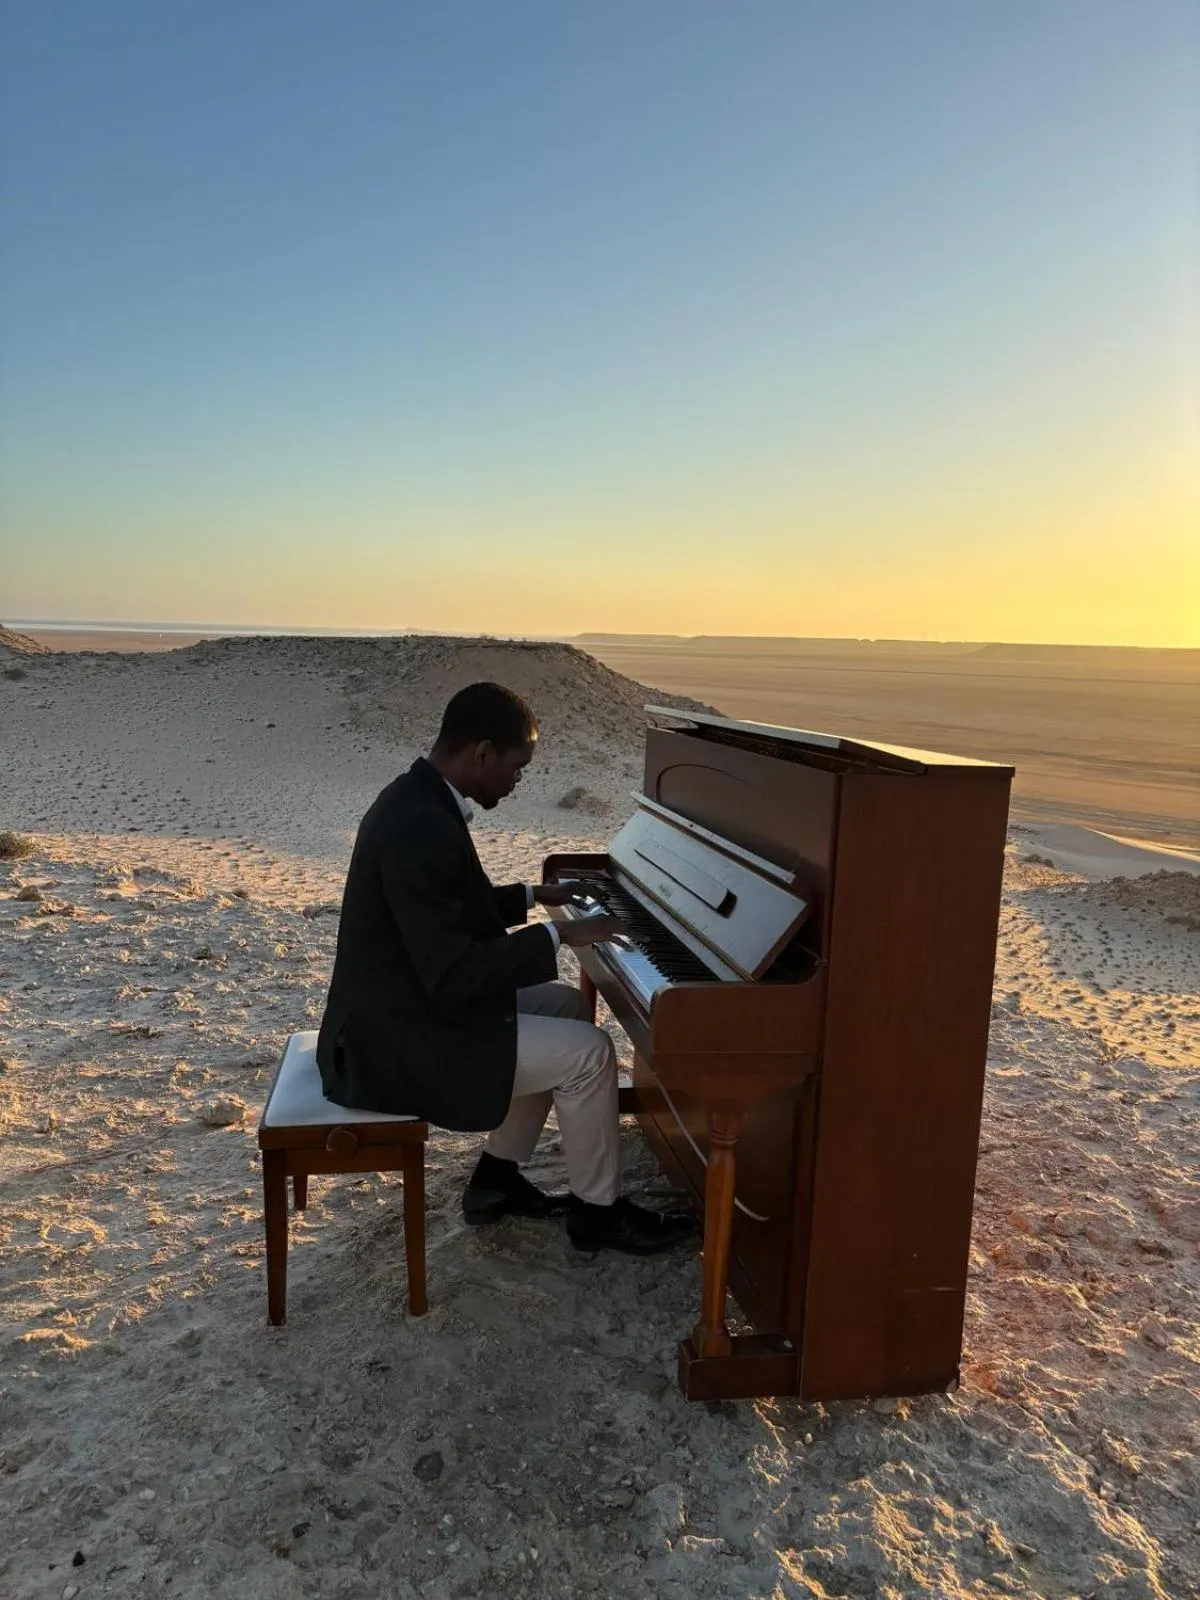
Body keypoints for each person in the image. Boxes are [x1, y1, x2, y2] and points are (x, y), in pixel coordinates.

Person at [316, 681, 694, 1256]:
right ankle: (599, 1215)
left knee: (565, 1004)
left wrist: (532, 894)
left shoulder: (418, 798)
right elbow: (454, 973)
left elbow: (442, 906)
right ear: (482, 752)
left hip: (402, 1006)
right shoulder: (421, 823)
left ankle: (497, 1178)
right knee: (590, 1053)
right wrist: (559, 932)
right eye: (517, 768)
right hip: (393, 1040)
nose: (518, 782)